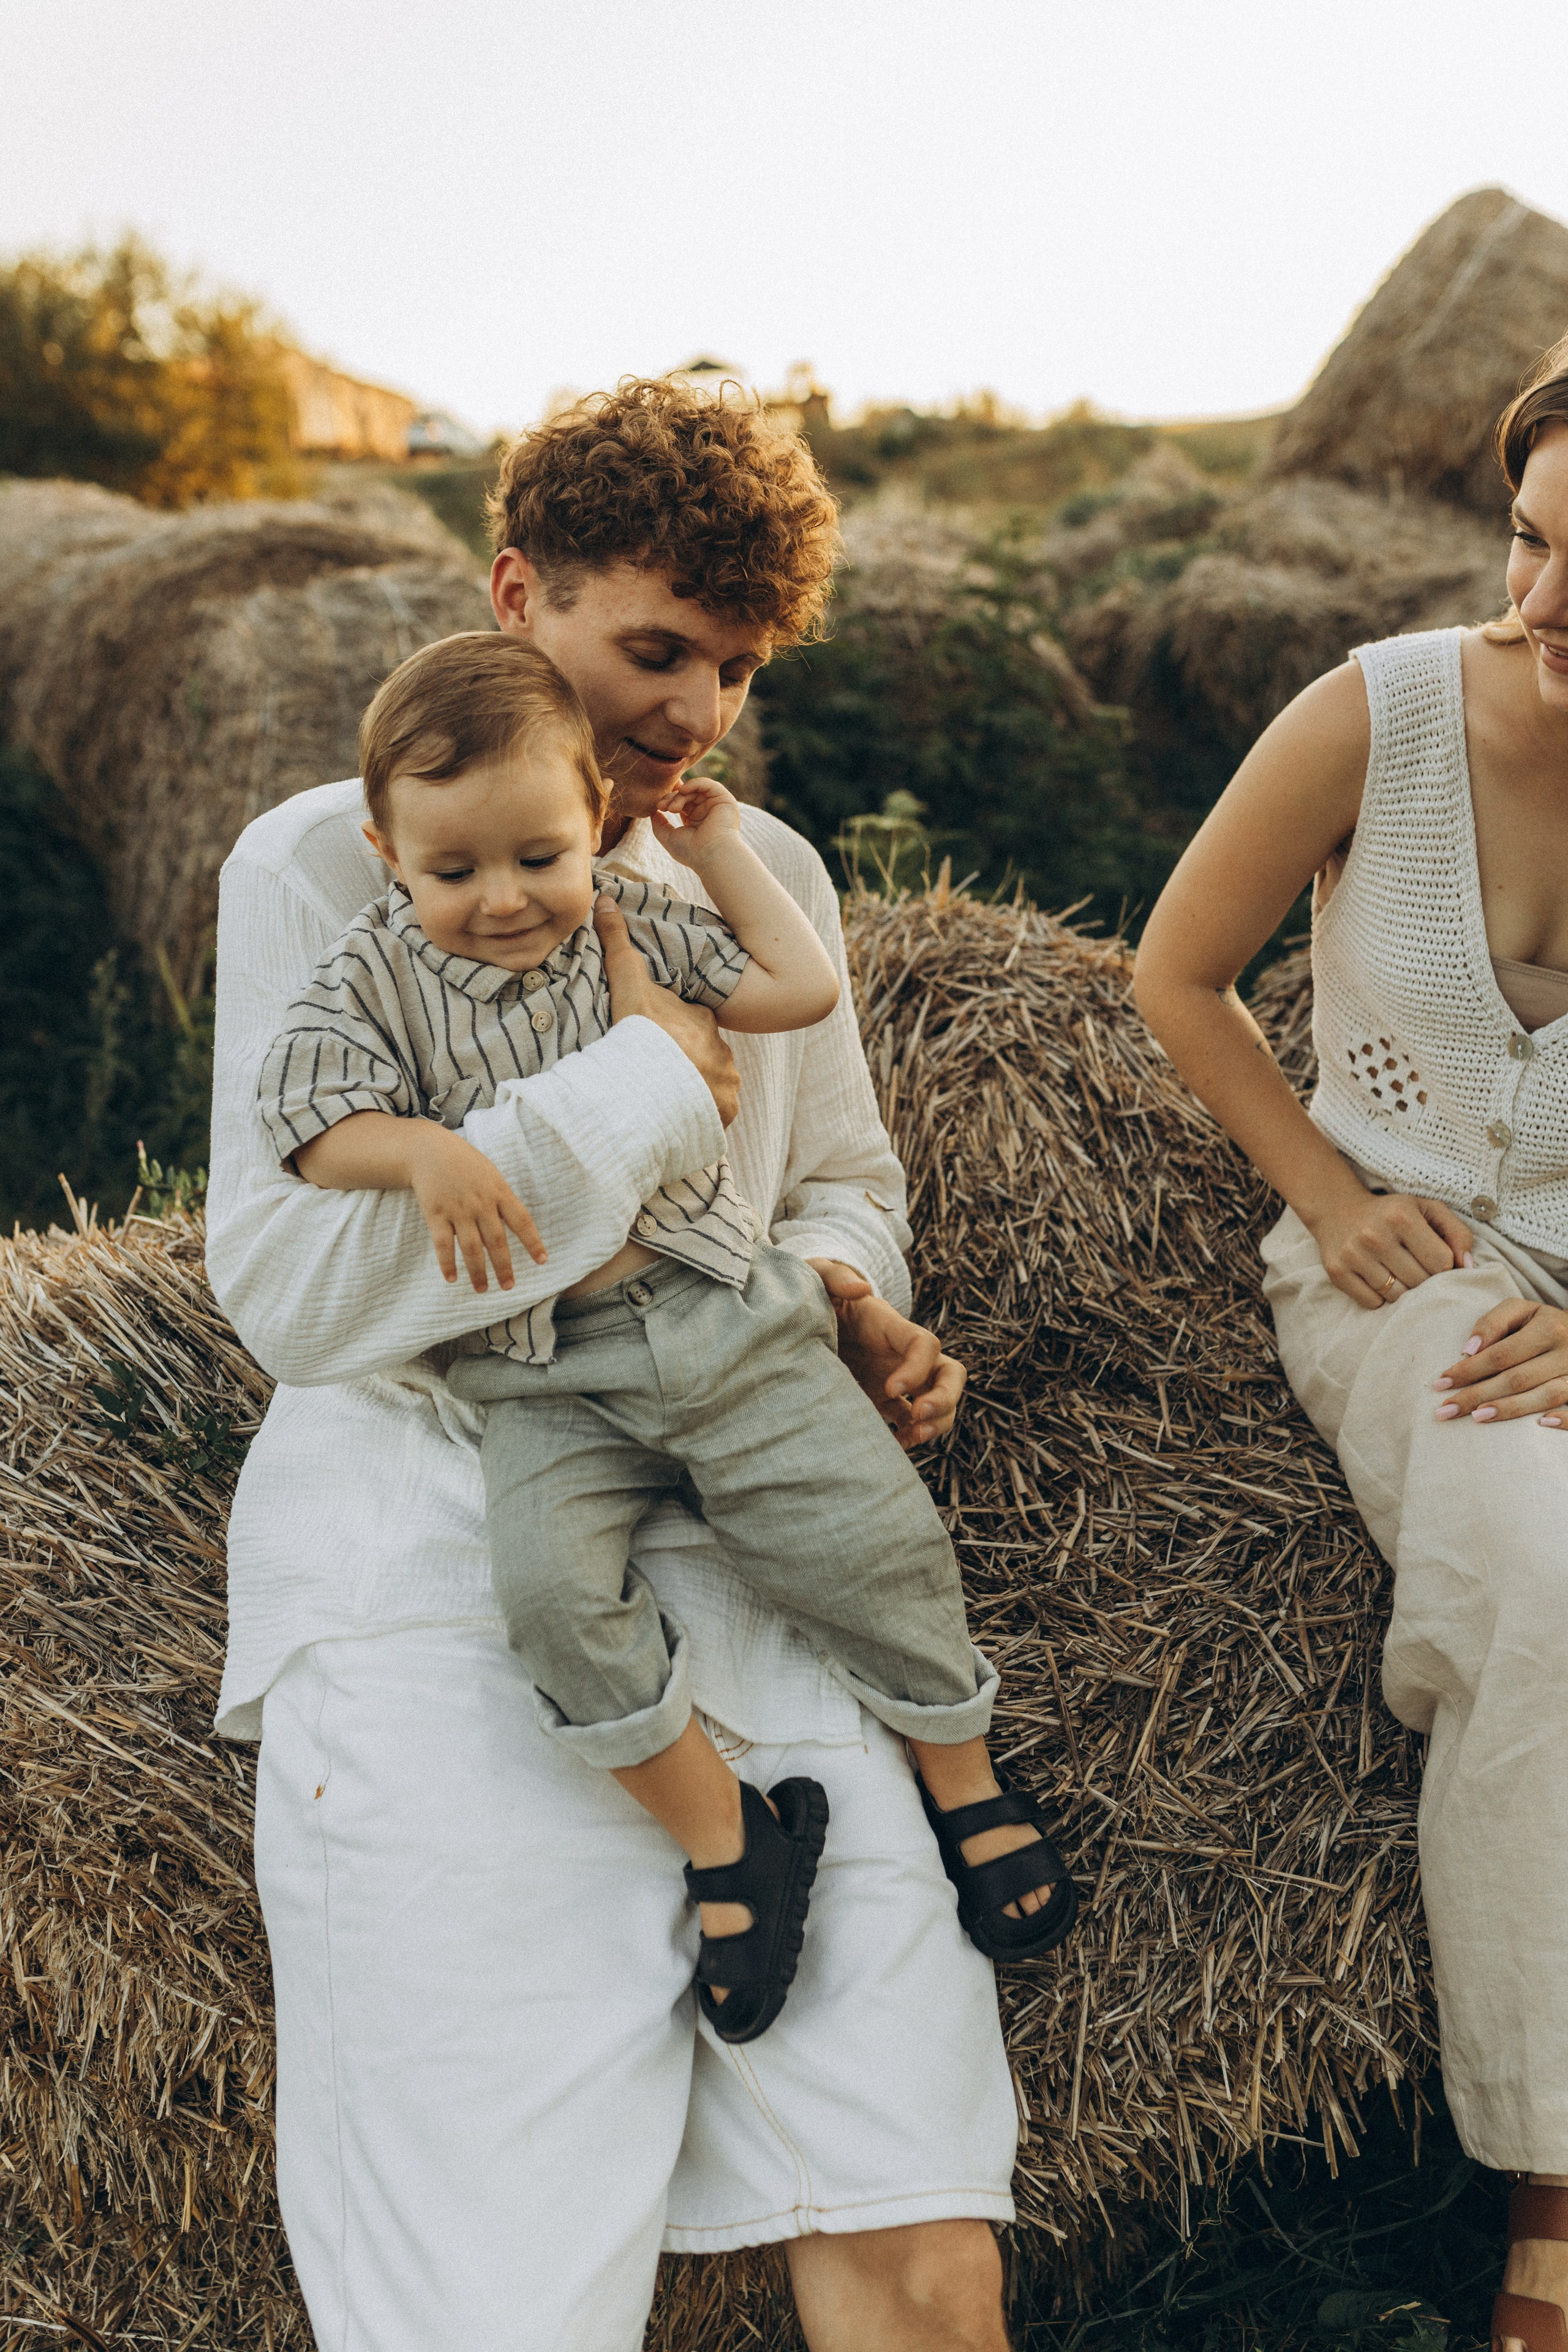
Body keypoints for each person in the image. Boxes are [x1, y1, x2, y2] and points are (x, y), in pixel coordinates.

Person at [208, 379, 1049, 2350]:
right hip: (452, 1581)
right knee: (487, 2311)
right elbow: (296, 1289)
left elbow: (841, 1173)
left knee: (926, 2259)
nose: (695, 709)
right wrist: (620, 1096)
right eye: (655, 646)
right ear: (520, 593)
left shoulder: (762, 876)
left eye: (736, 667)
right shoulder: (321, 869)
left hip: (760, 1558)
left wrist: (847, 1296)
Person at [257, 629, 1071, 2048]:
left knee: (867, 1541)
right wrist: (418, 1157)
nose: (502, 900)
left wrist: (725, 848)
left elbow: (796, 991)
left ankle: (964, 1779)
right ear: (388, 851)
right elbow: (309, 1121)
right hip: (540, 1373)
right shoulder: (368, 975)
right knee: (552, 1606)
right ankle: (725, 1840)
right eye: (453, 872)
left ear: (589, 827)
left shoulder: (640, 928)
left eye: (536, 857)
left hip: (715, 1313)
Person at [1133, 338, 1568, 2352]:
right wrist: (1324, 1193)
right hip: (1401, 1263)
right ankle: (1550, 2208)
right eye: (1527, 542)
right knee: (1535, 1582)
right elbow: (1181, 970)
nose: (1539, 607)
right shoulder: (1379, 714)